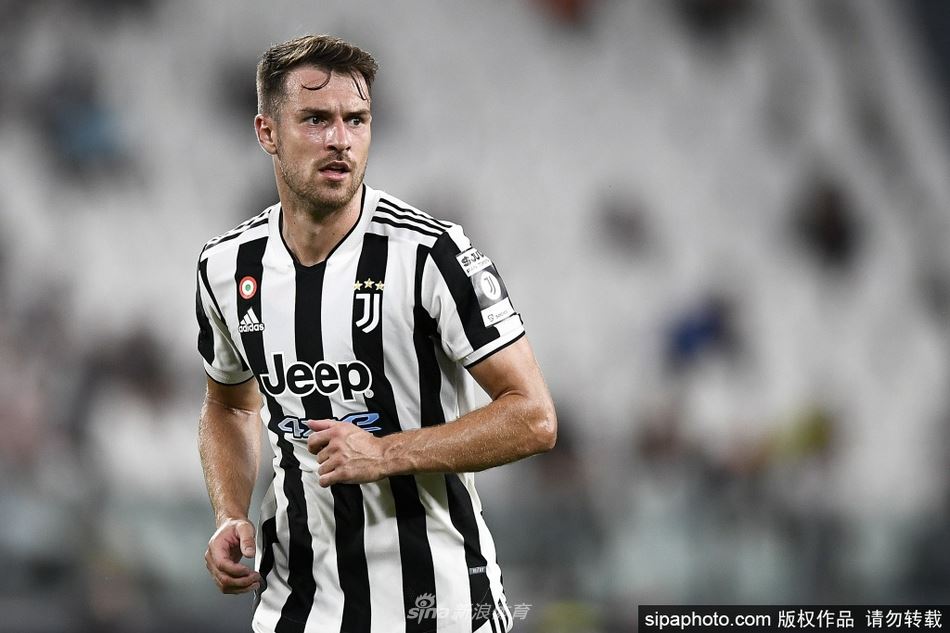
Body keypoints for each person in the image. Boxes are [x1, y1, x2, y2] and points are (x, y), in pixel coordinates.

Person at [195, 34, 557, 633]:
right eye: (316, 119)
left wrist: (386, 453)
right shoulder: (226, 267)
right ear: (267, 132)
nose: (340, 139)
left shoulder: (432, 254)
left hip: (438, 609)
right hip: (295, 609)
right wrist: (229, 512)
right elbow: (229, 406)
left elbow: (534, 417)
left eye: (356, 120)